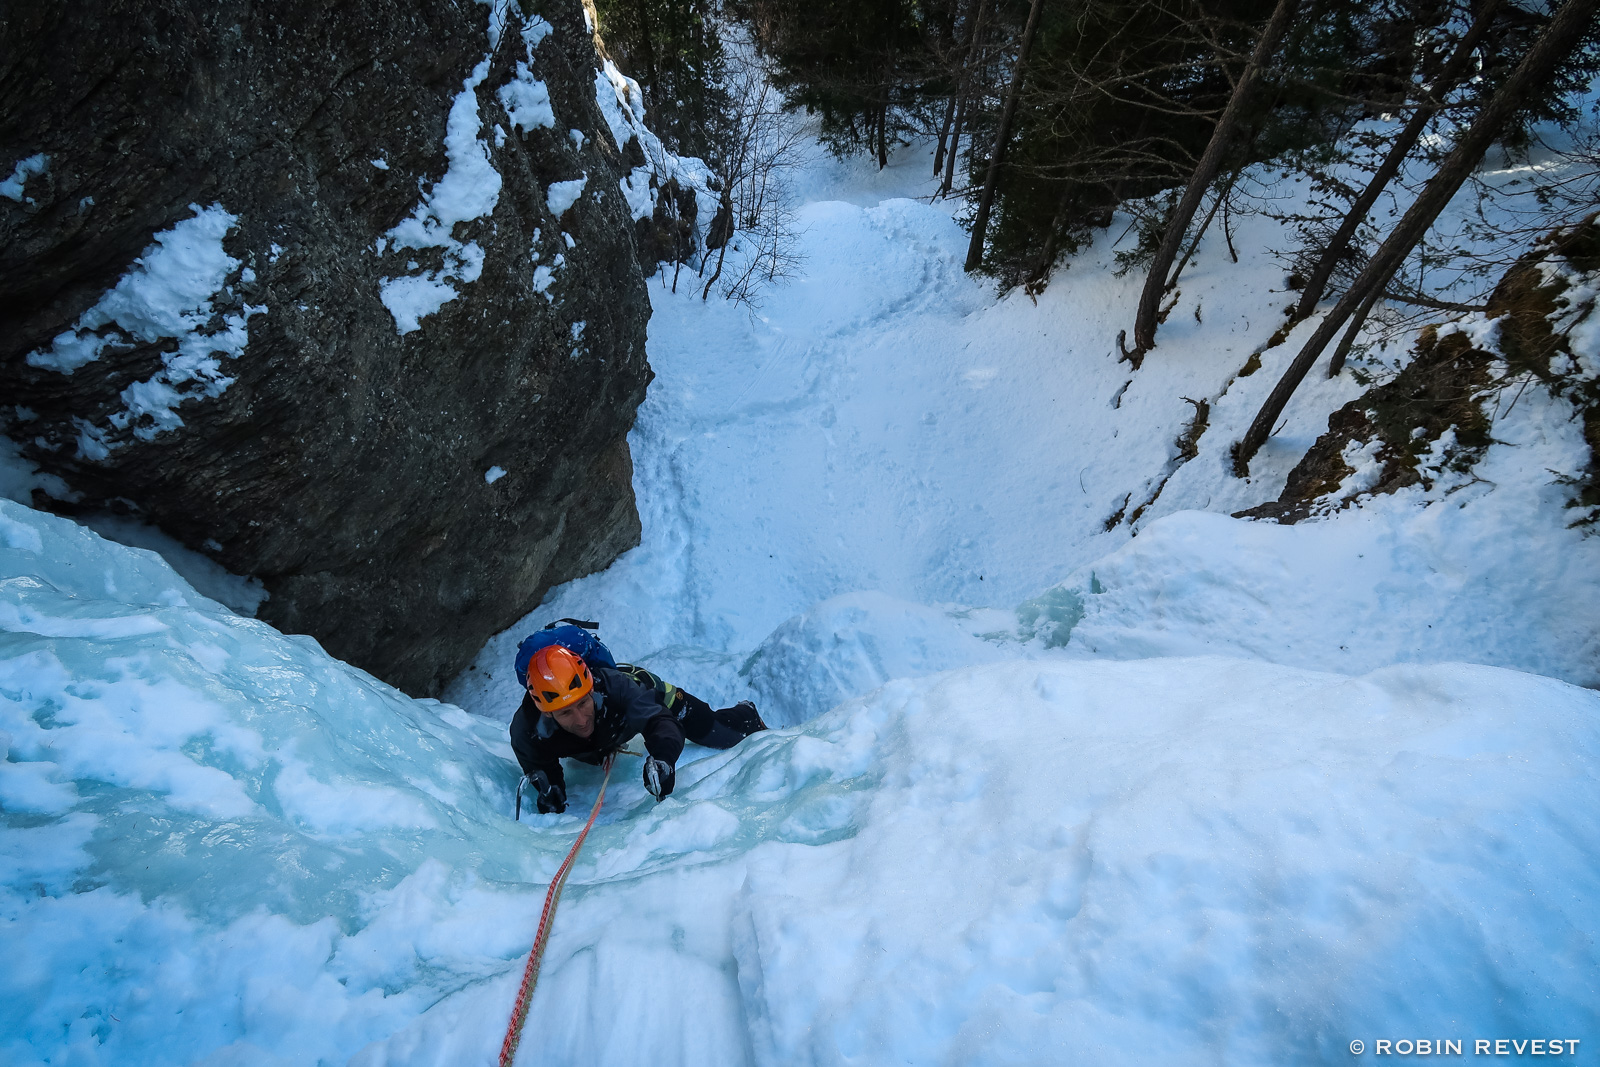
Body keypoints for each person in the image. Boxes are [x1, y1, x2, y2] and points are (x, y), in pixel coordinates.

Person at [509, 644, 767, 814]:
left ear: (592, 690)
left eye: (583, 703)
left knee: (715, 731)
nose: (580, 719)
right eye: (565, 712)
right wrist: (551, 790)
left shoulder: (616, 688)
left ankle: (747, 714)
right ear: (546, 711)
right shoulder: (528, 732)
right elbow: (541, 767)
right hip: (601, 738)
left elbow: (660, 722)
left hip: (645, 692)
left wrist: (663, 757)